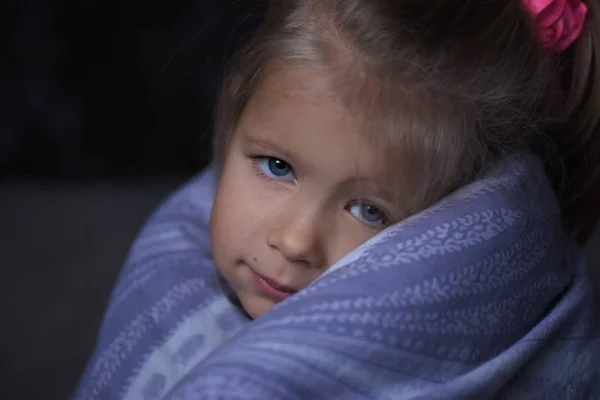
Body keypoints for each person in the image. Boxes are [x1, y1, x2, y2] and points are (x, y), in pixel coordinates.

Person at [73, 1, 600, 399]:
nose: (296, 241)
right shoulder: (173, 261)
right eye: (277, 167)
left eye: (370, 211)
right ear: (230, 120)